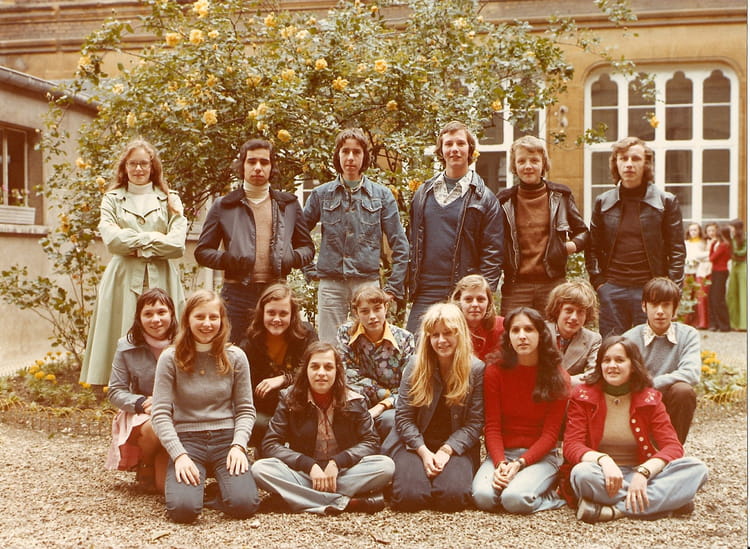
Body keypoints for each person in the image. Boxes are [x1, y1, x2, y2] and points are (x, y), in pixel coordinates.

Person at [561, 336, 708, 523]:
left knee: (697, 468)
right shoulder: (583, 396)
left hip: (640, 474)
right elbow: (572, 445)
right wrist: (604, 460)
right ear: (600, 365)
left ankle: (615, 511)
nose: (612, 366)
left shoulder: (649, 398)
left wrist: (643, 472)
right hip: (601, 474)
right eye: (606, 360)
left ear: (633, 365)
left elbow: (673, 447)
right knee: (581, 474)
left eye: (619, 360)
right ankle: (666, 500)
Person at [80, 139, 187, 386]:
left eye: (144, 164)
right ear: (125, 167)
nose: (138, 169)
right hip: (123, 277)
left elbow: (177, 245)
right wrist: (155, 239)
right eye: (133, 164)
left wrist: (135, 243)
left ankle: (167, 387)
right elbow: (112, 241)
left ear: (152, 166)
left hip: (162, 274)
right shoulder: (112, 199)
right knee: (124, 326)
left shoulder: (170, 200)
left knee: (165, 327)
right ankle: (123, 389)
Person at [151, 290, 259, 523]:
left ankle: (217, 490)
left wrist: (239, 446)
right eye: (200, 317)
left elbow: (245, 409)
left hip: (226, 440)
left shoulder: (236, 356)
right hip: (188, 442)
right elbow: (159, 413)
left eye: (213, 317)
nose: (207, 324)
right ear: (187, 320)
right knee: (183, 511)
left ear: (222, 320)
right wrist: (179, 455)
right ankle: (193, 492)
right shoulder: (170, 358)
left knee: (245, 505)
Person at [252, 342, 395, 514]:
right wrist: (308, 465)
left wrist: (338, 462)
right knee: (260, 469)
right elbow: (271, 443)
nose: (321, 373)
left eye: (328, 367)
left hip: (342, 472)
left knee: (386, 466)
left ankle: (297, 499)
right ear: (306, 370)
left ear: (337, 371)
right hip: (305, 472)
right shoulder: (289, 397)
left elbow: (371, 442)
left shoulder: (355, 399)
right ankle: (348, 503)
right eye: (315, 367)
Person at [195, 138, 314, 344]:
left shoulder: (288, 205)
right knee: (233, 351)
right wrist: (227, 260)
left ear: (271, 167)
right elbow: (202, 251)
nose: (258, 167)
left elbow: (307, 248)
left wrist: (292, 258)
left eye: (264, 162)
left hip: (275, 293)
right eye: (251, 161)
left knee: (274, 353)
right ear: (242, 165)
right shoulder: (224, 205)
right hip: (236, 294)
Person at [302, 128, 409, 343]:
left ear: (364, 157)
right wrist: (309, 268)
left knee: (369, 343)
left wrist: (392, 288)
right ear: (338, 155)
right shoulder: (321, 194)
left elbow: (400, 244)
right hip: (331, 285)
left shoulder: (382, 196)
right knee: (329, 345)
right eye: (345, 151)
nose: (350, 158)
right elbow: (299, 234)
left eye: (356, 152)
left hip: (367, 283)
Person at [382, 303, 485, 511]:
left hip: (455, 446)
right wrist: (424, 453)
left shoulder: (476, 369)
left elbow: (475, 424)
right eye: (435, 335)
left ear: (460, 334)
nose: (441, 340)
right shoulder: (415, 365)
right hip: (414, 443)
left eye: (447, 333)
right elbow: (403, 418)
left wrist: (446, 451)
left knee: (452, 498)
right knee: (410, 498)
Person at [406, 121, 503, 334]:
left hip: (463, 293)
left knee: (460, 349)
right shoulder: (423, 194)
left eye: (460, 143)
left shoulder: (485, 198)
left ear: (470, 149)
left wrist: (481, 297)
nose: (455, 149)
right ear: (441, 150)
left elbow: (493, 254)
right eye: (449, 144)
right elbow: (411, 241)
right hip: (426, 291)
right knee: (415, 348)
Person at [471, 307, 570, 514]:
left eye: (529, 329)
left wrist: (519, 464)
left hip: (541, 456)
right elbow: (492, 426)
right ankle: (524, 485)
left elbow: (551, 434)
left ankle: (554, 497)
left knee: (514, 499)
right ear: (508, 337)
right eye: (516, 330)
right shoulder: (495, 371)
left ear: (541, 335)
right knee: (483, 498)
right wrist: (500, 463)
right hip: (503, 454)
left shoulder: (558, 376)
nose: (522, 336)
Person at [586, 137, 685, 337]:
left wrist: (670, 292)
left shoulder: (665, 202)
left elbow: (677, 251)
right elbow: (592, 247)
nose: (629, 164)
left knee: (649, 347)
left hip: (651, 290)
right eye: (623, 158)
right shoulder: (603, 202)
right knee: (613, 346)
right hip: (612, 289)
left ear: (646, 163)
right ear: (616, 163)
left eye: (636, 158)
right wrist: (600, 283)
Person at [496, 136, 590, 315]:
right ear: (514, 166)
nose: (528, 166)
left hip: (552, 283)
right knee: (514, 330)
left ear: (543, 164)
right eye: (521, 161)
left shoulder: (560, 196)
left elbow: (583, 232)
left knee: (552, 330)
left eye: (534, 160)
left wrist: (569, 247)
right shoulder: (504, 201)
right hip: (516, 286)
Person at [105, 288, 176, 494]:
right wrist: (142, 403)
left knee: (165, 489)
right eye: (148, 314)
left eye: (161, 312)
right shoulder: (126, 346)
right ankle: (146, 462)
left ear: (172, 314)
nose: (156, 320)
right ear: (139, 318)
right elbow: (115, 391)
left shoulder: (186, 342)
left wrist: (169, 402)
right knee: (155, 427)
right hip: (143, 413)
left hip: (180, 409)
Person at [239, 283, 318, 452]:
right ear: (262, 313)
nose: (276, 319)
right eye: (271, 313)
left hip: (299, 408)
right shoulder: (250, 342)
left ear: (292, 315)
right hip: (264, 413)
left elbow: (314, 372)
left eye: (283, 313)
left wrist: (283, 379)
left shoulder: (306, 335)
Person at [623, 277, 700, 444]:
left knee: (684, 391)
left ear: (675, 308)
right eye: (654, 304)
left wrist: (652, 383)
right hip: (639, 400)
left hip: (670, 399)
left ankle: (673, 449)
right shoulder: (629, 338)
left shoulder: (688, 335)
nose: (660, 311)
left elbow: (691, 373)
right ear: (644, 306)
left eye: (666, 305)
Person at [336, 286, 415, 440]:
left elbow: (408, 386)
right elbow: (347, 374)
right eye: (365, 311)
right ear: (356, 313)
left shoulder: (405, 338)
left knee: (389, 420)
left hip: (393, 405)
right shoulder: (346, 333)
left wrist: (382, 405)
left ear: (386, 307)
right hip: (358, 398)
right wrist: (386, 393)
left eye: (377, 309)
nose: (372, 316)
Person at [544, 280, 602, 385]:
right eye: (569, 310)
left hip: (573, 392)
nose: (574, 317)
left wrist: (565, 381)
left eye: (580, 312)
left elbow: (593, 375)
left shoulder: (593, 339)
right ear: (557, 311)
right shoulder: (540, 332)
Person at [450, 274, 504, 364]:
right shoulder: (449, 329)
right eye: (468, 299)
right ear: (458, 301)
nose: (475, 304)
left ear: (489, 302)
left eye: (480, 299)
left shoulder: (502, 326)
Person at [684, 222, 710, 330]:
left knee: (698, 296)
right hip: (687, 271)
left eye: (695, 230)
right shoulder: (686, 243)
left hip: (699, 272)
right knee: (687, 296)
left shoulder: (703, 243)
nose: (693, 232)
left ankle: (699, 321)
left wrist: (698, 259)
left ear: (699, 231)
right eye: (691, 230)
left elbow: (708, 255)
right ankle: (686, 321)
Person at [707, 225, 732, 332]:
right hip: (716, 272)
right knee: (712, 297)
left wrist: (711, 246)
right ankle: (716, 323)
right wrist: (712, 245)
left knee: (718, 298)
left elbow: (712, 258)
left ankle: (724, 325)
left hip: (721, 272)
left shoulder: (723, 246)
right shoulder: (719, 244)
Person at [727, 219, 746, 331]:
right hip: (734, 267)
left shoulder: (745, 238)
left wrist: (733, 252)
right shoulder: (732, 239)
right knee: (732, 294)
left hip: (743, 267)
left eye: (732, 227)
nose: (730, 229)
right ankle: (734, 323)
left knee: (743, 295)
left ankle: (744, 324)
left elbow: (743, 252)